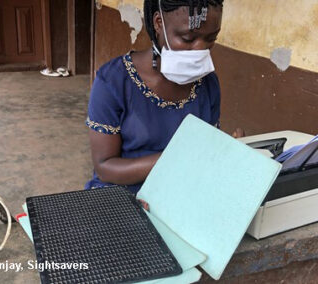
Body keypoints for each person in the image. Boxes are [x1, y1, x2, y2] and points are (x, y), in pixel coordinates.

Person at [85, 0, 243, 194]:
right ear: (159, 23)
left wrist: (228, 149)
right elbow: (105, 168)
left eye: (211, 38)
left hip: (181, 188)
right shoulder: (113, 81)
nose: (200, 50)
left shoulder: (207, 83)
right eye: (187, 38)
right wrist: (177, 158)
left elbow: (204, 149)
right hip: (122, 194)